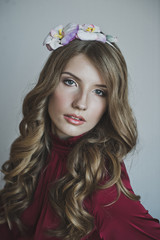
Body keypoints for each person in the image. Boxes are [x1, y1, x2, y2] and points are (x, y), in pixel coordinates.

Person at [0, 23, 160, 240]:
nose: (81, 103)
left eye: (99, 92)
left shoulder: (102, 179)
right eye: (70, 82)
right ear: (49, 84)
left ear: (110, 104)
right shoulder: (31, 150)